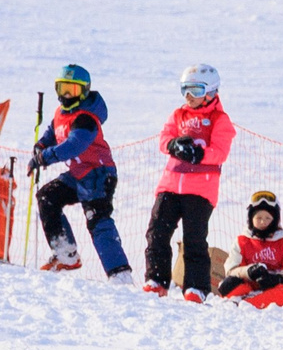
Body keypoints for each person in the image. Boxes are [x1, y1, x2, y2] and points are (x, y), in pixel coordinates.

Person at [29, 63, 133, 281]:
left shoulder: (86, 118)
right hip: (77, 175)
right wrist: (40, 146)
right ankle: (66, 254)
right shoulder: (60, 113)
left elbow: (74, 145)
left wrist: (45, 157)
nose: (67, 95)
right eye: (62, 88)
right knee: (47, 197)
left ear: (84, 91)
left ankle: (119, 274)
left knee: (97, 219)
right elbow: (51, 133)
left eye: (73, 90)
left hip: (98, 174)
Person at [143, 63, 235, 302]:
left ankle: (196, 287)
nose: (189, 96)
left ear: (211, 91)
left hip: (200, 190)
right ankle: (156, 280)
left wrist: (199, 153)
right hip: (170, 185)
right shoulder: (178, 114)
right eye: (185, 89)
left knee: (194, 239)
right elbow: (164, 137)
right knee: (157, 232)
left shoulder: (219, 120)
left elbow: (220, 150)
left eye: (195, 90)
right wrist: (173, 145)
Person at [216, 189, 283, 309]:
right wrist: (248, 272)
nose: (263, 222)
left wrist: (276, 279)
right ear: (251, 219)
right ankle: (248, 300)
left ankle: (249, 304)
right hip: (246, 287)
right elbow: (230, 271)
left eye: (268, 218)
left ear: (275, 220)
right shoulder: (241, 241)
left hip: (273, 289)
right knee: (227, 284)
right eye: (258, 217)